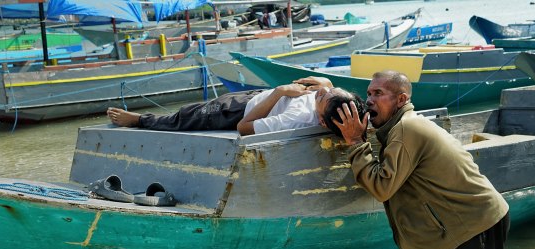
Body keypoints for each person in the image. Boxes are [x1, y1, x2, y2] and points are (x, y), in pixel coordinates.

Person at [333, 70, 512, 249]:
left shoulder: (407, 129)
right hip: (447, 224)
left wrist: (356, 143)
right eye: (368, 93)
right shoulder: (395, 129)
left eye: (378, 94)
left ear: (401, 98)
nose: (369, 100)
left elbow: (382, 187)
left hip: (476, 222)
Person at [107, 77, 366, 137]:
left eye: (323, 97)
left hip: (238, 110)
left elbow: (244, 128)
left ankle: (140, 120)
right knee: (195, 108)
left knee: (186, 117)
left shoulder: (294, 118)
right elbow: (327, 86)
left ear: (321, 120)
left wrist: (280, 92)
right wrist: (327, 85)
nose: (323, 91)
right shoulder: (332, 104)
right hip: (259, 96)